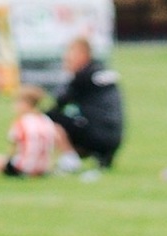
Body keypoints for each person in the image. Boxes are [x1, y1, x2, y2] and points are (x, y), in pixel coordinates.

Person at [47, 38, 123, 172]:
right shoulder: (102, 71)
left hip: (94, 135)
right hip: (115, 137)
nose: (66, 59)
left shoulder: (82, 76)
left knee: (49, 120)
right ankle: (103, 157)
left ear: (82, 54)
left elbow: (60, 101)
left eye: (69, 55)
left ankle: (70, 160)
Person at [0, 85, 57, 178]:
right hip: (44, 168)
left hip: (24, 169)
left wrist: (7, 162)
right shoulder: (46, 120)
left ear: (25, 103)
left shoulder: (21, 122)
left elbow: (13, 148)